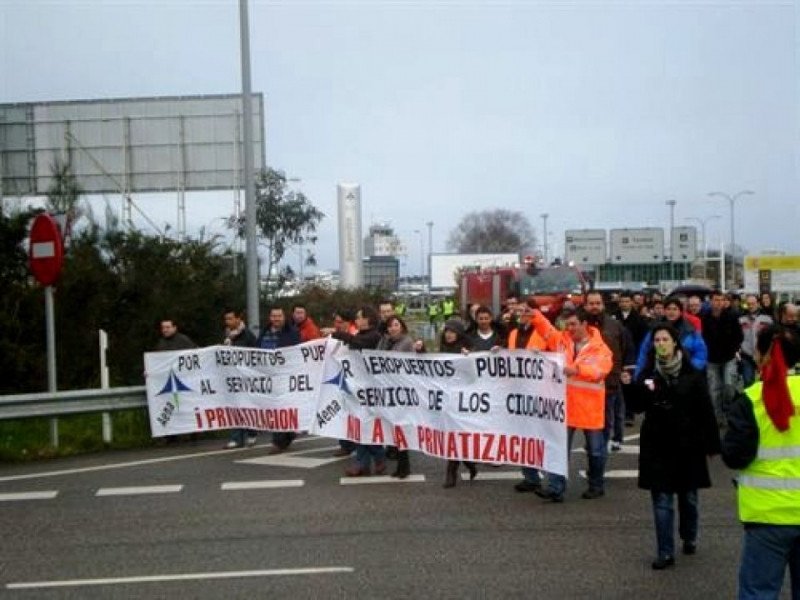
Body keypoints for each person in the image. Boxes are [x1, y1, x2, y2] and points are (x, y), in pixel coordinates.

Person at [631, 324, 720, 570]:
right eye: (657, 340)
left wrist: (712, 443)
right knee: (662, 500)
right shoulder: (649, 374)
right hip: (657, 444)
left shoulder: (691, 375)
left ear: (675, 343)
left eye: (665, 339)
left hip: (687, 444)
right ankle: (665, 552)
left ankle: (689, 535)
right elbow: (638, 406)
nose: (661, 343)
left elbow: (705, 411)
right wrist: (633, 385)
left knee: (688, 497)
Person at [722, 325, 800, 598]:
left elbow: (734, 455)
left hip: (767, 515)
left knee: (759, 592)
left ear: (761, 355)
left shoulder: (752, 400)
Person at [530, 306, 613, 502]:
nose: (570, 328)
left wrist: (576, 370)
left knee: (595, 450)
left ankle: (596, 485)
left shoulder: (600, 348)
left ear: (585, 324)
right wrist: (534, 314)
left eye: (573, 324)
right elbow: (547, 330)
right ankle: (555, 488)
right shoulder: (562, 339)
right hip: (565, 405)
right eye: (567, 325)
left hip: (589, 407)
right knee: (559, 448)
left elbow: (601, 371)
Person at [331, 306, 384, 476]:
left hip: (370, 388)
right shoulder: (361, 335)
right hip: (359, 388)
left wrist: (337, 334)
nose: (357, 320)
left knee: (365, 424)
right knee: (361, 424)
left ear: (369, 319)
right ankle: (366, 463)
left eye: (360, 317)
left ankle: (375, 458)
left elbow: (358, 343)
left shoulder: (373, 335)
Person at [584, 291, 636, 453]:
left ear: (603, 305)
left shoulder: (615, 326)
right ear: (585, 305)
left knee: (608, 420)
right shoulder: (580, 325)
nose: (595, 307)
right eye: (591, 303)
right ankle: (594, 449)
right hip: (585, 384)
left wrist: (626, 370)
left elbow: (627, 348)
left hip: (610, 382)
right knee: (589, 423)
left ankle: (600, 453)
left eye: (598, 303)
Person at [440, 318, 478, 488]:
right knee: (452, 435)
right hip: (448, 398)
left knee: (458, 435)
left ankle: (452, 472)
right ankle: (468, 463)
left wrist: (469, 358)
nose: (448, 335)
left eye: (452, 331)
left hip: (464, 400)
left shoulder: (468, 348)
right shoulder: (443, 348)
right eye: (447, 331)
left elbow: (476, 374)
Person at [257, 307, 301, 454]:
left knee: (281, 407)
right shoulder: (264, 332)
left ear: (284, 317)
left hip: (285, 376)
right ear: (270, 317)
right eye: (273, 316)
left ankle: (279, 441)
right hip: (268, 376)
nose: (276, 319)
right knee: (273, 408)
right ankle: (287, 435)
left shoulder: (292, 333)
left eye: (279, 316)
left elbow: (297, 353)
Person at [377, 315, 416, 479]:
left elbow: (412, 363)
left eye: (396, 325)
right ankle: (400, 464)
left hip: (401, 391)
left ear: (402, 326)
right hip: (387, 390)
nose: (393, 328)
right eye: (390, 326)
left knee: (401, 429)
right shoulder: (384, 341)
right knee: (393, 429)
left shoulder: (407, 342)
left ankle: (404, 466)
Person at [635, 298, 707, 379]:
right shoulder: (654, 329)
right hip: (659, 373)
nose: (671, 312)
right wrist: (638, 374)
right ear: (664, 311)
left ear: (680, 312)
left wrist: (692, 369)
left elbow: (700, 353)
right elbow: (644, 352)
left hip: (684, 374)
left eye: (675, 309)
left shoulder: (690, 330)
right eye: (668, 309)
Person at [703, 290, 745, 426]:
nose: (719, 303)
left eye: (721, 300)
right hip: (711, 358)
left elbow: (739, 336)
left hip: (728, 357)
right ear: (711, 301)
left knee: (729, 386)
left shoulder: (732, 316)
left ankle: (728, 411)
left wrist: (734, 347)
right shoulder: (705, 317)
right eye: (716, 300)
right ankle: (717, 417)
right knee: (714, 390)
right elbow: (702, 337)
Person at [222, 308, 258, 449]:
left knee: (246, 406)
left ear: (238, 319)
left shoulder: (248, 335)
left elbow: (256, 355)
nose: (228, 321)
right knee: (235, 406)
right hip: (232, 377)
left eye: (230, 318)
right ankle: (236, 438)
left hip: (246, 376)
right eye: (226, 319)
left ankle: (251, 432)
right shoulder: (227, 336)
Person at [739, 293, 773, 389]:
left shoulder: (767, 318)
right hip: (746, 355)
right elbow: (737, 336)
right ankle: (749, 403)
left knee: (764, 383)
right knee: (748, 383)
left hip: (763, 356)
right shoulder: (741, 319)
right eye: (748, 304)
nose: (750, 306)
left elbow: (772, 337)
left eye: (753, 303)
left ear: (758, 303)